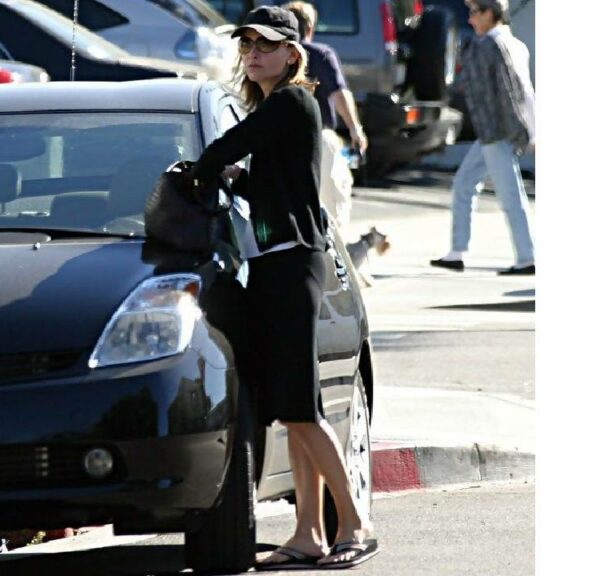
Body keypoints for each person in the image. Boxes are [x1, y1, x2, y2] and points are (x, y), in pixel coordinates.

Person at [192, 6, 378, 571]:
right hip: (273, 263)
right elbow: (271, 182)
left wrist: (202, 169)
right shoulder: (276, 112)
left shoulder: (293, 101)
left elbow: (225, 147)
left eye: (266, 45)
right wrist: (235, 179)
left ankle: (355, 524)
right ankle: (308, 533)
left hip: (293, 264)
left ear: (293, 54)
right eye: (246, 44)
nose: (253, 54)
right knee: (295, 409)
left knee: (301, 409)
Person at [430, 0, 535, 275]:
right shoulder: (515, 44)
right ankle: (457, 252)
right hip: (497, 132)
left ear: (491, 13)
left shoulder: (488, 46)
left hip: (495, 132)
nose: (470, 19)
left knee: (510, 194)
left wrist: (526, 132)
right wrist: (531, 129)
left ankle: (527, 257)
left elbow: (508, 92)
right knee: (464, 184)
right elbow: (526, 93)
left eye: (475, 12)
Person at [283, 1, 368, 232]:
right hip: (319, 139)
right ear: (310, 28)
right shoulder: (321, 55)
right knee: (332, 208)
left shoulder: (274, 57)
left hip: (280, 141)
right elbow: (339, 94)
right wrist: (355, 128)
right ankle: (334, 263)